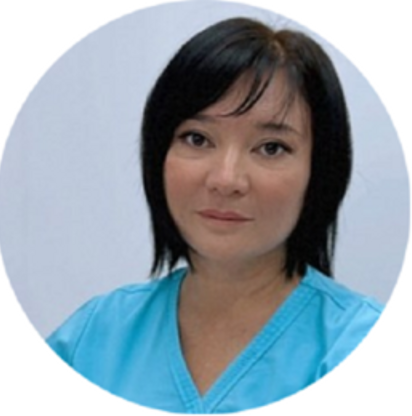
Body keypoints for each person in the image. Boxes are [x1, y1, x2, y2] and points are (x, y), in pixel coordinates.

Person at [46, 17, 383, 413]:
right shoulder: (93, 338)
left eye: (271, 147)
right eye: (197, 138)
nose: (226, 180)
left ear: (320, 171)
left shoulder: (362, 346)